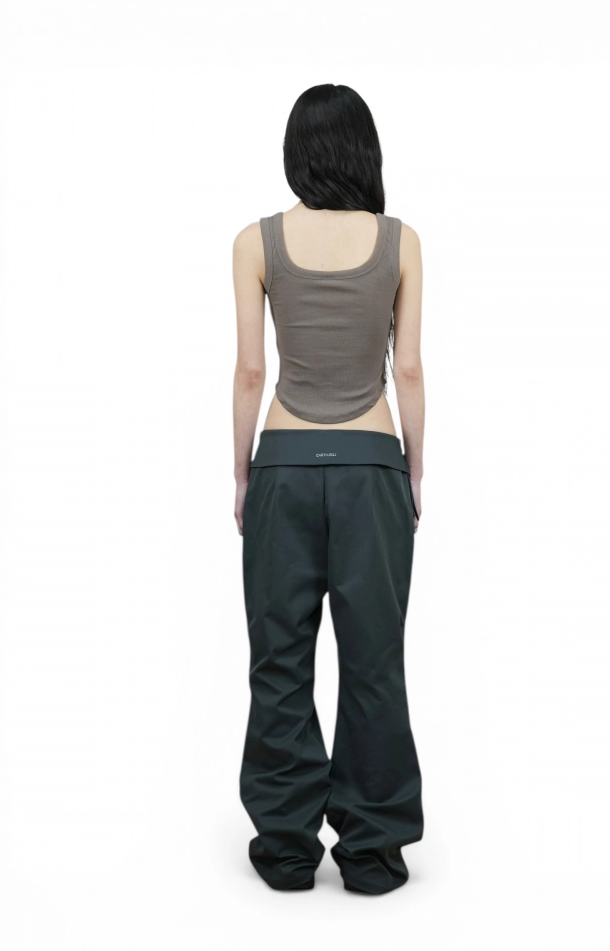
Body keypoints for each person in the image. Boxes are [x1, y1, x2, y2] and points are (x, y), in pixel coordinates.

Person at [231, 84, 425, 895]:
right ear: (364, 151)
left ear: (295, 153)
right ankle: (373, 853)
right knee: (374, 661)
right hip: (373, 464)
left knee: (280, 657)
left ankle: (285, 849)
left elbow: (251, 371)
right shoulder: (402, 241)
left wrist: (242, 473)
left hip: (283, 460)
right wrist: (414, 471)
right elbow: (407, 370)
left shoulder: (256, 241)